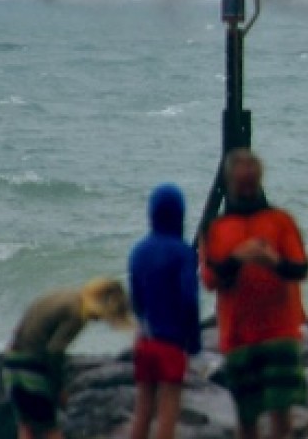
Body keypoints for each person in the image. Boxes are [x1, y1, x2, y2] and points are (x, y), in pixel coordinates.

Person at [200, 148, 308, 439]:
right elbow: (210, 278)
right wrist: (238, 258)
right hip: (239, 337)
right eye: (241, 180)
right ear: (231, 183)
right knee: (247, 418)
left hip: (281, 334)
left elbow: (299, 268)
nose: (247, 185)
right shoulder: (217, 229)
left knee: (281, 415)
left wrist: (272, 261)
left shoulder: (280, 221)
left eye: (251, 179)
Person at [2, 278, 133, 439]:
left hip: (11, 362)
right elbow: (54, 353)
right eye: (107, 316)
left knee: (26, 425)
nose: (100, 320)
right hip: (33, 369)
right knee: (50, 428)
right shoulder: (77, 313)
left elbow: (22, 326)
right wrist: (59, 389)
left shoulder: (63, 295)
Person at [128, 184, 202, 439]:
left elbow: (136, 301)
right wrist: (194, 341)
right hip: (171, 344)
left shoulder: (138, 252)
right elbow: (189, 300)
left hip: (145, 340)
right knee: (168, 410)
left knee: (143, 410)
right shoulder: (183, 253)